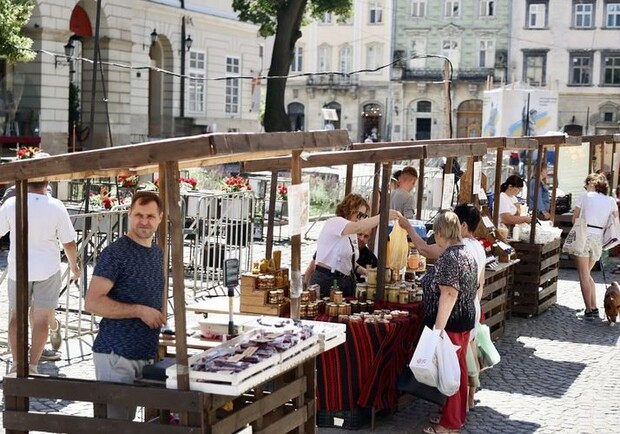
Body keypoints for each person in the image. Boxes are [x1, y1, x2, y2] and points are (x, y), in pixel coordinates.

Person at [85, 191, 166, 419]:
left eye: (150, 216)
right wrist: (139, 311)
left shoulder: (157, 252)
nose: (144, 221)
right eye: (138, 214)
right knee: (115, 427)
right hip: (116, 354)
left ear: (160, 218)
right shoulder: (116, 254)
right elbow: (92, 301)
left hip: (144, 352)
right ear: (129, 214)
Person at [0, 180, 80, 374]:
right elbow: (69, 243)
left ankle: (18, 365)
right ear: (47, 182)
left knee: (15, 317)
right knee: (41, 319)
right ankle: (33, 365)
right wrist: (74, 266)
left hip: (19, 269)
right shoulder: (56, 206)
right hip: (48, 268)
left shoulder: (12, 204)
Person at [416, 210, 477, 433]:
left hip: (451, 323)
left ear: (441, 232)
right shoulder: (466, 253)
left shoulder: (451, 257)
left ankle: (449, 425)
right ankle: (456, 418)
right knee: (457, 371)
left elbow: (449, 294)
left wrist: (438, 330)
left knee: (450, 374)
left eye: (435, 234)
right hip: (463, 320)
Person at [307, 193, 398, 298]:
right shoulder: (335, 222)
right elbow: (357, 227)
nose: (361, 219)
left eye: (364, 216)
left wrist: (368, 272)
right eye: (359, 215)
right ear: (349, 209)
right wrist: (383, 216)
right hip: (327, 280)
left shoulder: (352, 233)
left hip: (344, 281)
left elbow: (350, 263)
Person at [572, 173, 618, 320]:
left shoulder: (585, 197)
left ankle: (589, 310)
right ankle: (594, 307)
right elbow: (615, 220)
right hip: (599, 238)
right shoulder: (611, 201)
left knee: (583, 275)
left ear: (592, 184)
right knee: (587, 273)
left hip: (585, 234)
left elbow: (574, 219)